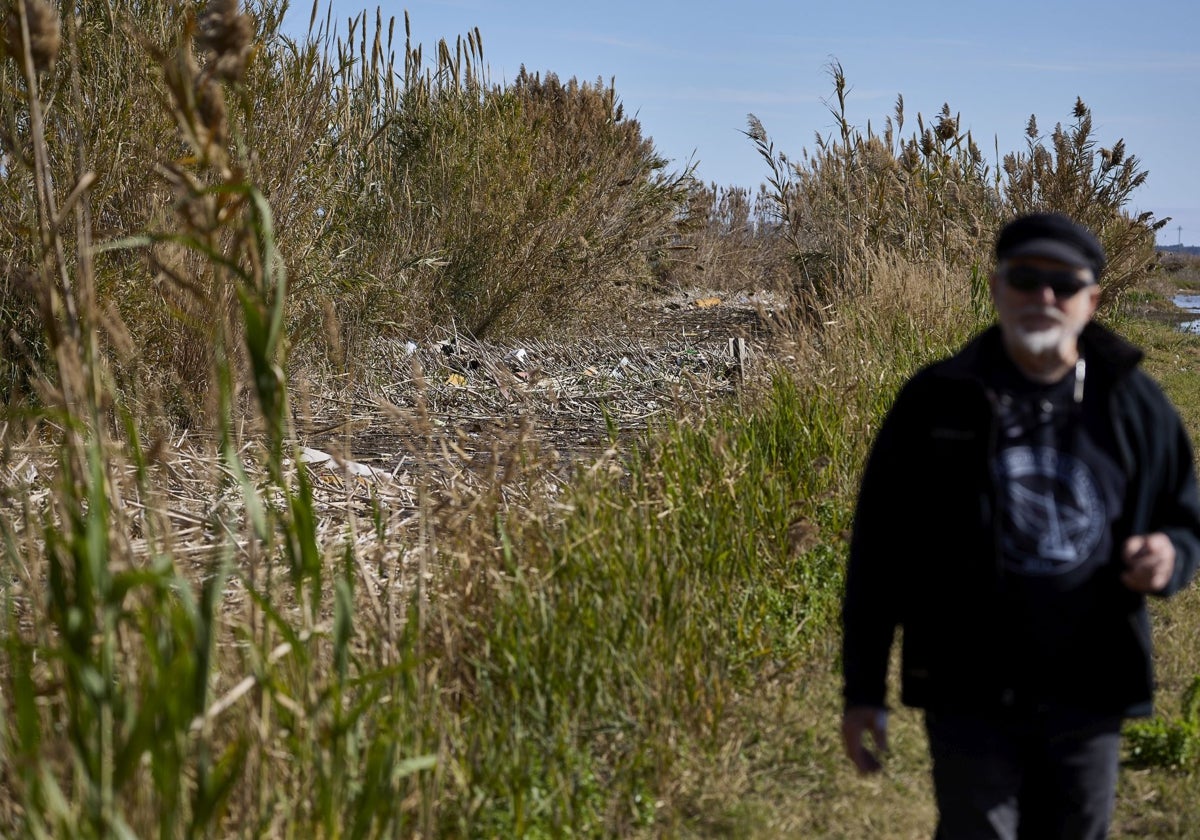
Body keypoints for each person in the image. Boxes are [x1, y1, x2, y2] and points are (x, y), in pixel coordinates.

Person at [839, 212, 1200, 839]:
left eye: (1063, 284)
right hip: (967, 683)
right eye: (1025, 278)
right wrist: (863, 689)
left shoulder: (1134, 402)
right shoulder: (936, 399)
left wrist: (1170, 554)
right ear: (997, 288)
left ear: (1092, 300)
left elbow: (1185, 518)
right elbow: (879, 553)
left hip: (1090, 683)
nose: (1044, 297)